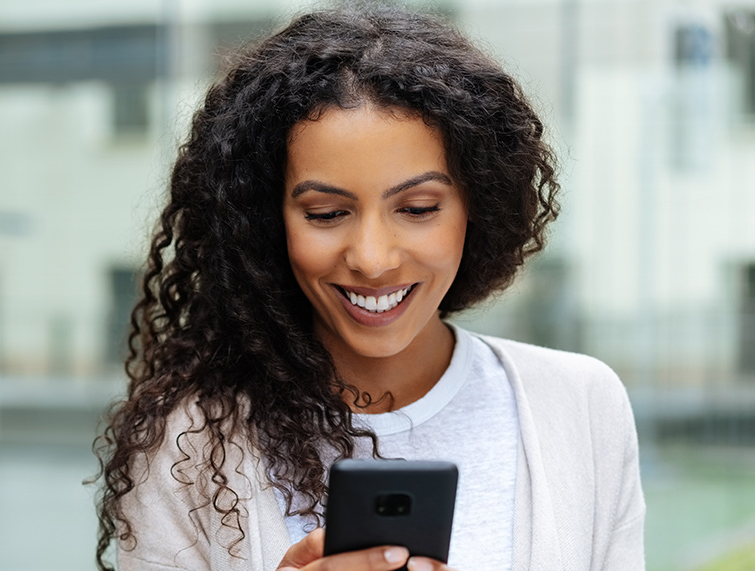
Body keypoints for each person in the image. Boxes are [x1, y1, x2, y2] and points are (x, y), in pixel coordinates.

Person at [92, 5, 645, 571]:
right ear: (265, 222)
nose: (373, 259)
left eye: (418, 208)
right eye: (327, 213)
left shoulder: (580, 405)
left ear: (475, 206)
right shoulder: (188, 444)